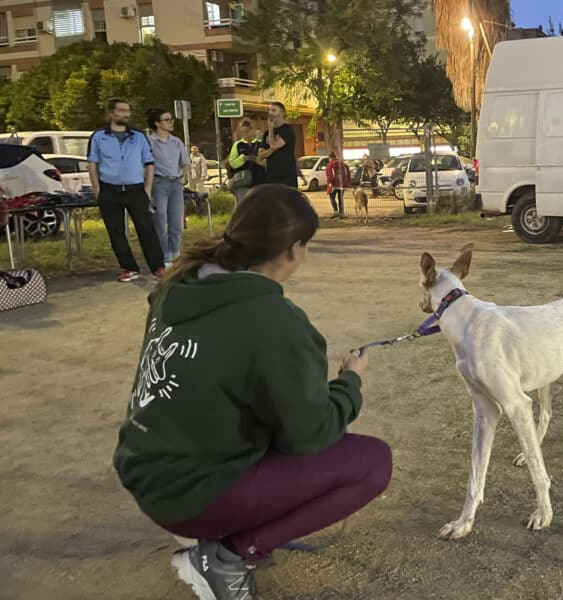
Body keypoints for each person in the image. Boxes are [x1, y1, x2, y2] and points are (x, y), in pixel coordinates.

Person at [113, 184, 392, 600]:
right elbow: (310, 434)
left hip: (146, 470)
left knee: (268, 422)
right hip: (190, 492)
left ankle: (227, 532)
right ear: (295, 250)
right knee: (371, 463)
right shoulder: (274, 321)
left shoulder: (181, 283)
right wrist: (349, 382)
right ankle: (228, 556)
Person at [86, 98, 165, 282]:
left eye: (128, 111)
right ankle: (130, 267)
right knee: (116, 232)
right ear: (111, 113)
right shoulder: (98, 136)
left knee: (147, 229)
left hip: (135, 189)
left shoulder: (138, 137)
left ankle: (158, 267)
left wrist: (147, 188)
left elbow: (149, 163)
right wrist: (97, 190)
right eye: (121, 110)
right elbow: (92, 163)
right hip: (109, 190)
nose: (126, 114)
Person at [147, 109, 190, 265]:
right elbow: (145, 166)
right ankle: (165, 256)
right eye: (167, 120)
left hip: (175, 184)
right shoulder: (150, 142)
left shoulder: (176, 141)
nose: (171, 122)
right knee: (160, 221)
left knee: (177, 222)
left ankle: (175, 254)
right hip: (159, 183)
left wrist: (182, 178)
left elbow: (185, 163)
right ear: (157, 123)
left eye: (171, 119)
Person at [257, 102, 298, 188]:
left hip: (287, 178)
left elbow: (274, 145)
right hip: (271, 177)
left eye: (274, 110)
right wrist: (272, 150)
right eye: (269, 110)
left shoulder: (288, 130)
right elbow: (260, 155)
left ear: (282, 113)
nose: (270, 113)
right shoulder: (266, 133)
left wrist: (271, 130)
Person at [225, 120, 258, 204]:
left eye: (247, 131)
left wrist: (257, 160)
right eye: (242, 132)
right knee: (243, 203)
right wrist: (242, 159)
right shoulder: (237, 145)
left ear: (252, 130)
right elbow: (232, 163)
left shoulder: (260, 143)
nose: (245, 134)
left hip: (258, 179)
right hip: (242, 178)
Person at [325, 149, 351, 218]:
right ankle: (341, 213)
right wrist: (347, 182)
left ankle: (336, 211)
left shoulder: (329, 165)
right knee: (340, 199)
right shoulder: (342, 164)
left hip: (333, 185)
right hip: (342, 184)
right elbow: (347, 172)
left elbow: (330, 175)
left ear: (330, 158)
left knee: (332, 198)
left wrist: (330, 182)